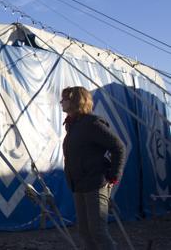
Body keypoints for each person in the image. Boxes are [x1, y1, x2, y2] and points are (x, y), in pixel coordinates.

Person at [61, 86, 126, 250]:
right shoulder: (73, 126)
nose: (61, 102)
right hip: (79, 185)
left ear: (75, 101)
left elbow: (118, 147)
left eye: (65, 99)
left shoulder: (92, 124)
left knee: (98, 231)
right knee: (84, 231)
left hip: (95, 184)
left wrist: (113, 176)